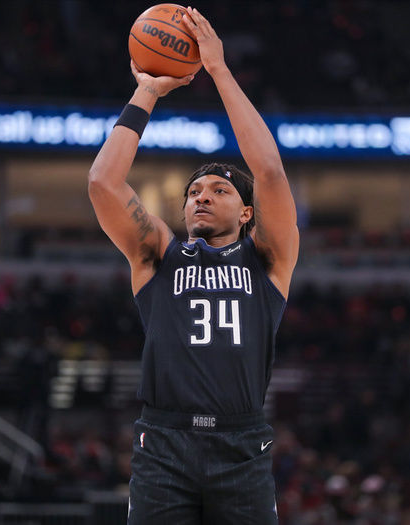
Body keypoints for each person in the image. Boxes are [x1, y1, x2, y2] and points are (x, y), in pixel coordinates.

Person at [87, 6, 298, 524]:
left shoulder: (267, 257)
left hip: (241, 443)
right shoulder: (159, 252)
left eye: (219, 190)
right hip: (163, 444)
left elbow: (268, 170)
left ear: (246, 212)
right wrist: (148, 91)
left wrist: (219, 71)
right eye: (194, 192)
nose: (202, 197)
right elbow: (102, 184)